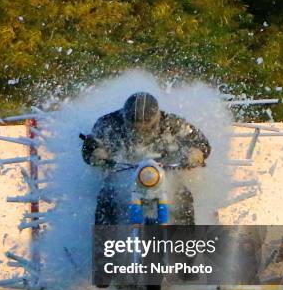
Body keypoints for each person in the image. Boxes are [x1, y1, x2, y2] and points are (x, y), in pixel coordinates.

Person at [81, 92, 211, 225]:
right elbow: (91, 145)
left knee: (183, 197)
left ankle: (186, 243)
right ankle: (103, 243)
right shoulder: (108, 123)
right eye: (134, 126)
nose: (140, 131)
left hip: (166, 173)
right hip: (121, 173)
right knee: (107, 197)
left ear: (156, 118)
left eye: (146, 126)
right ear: (124, 117)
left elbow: (200, 142)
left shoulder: (172, 123)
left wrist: (195, 153)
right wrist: (97, 154)